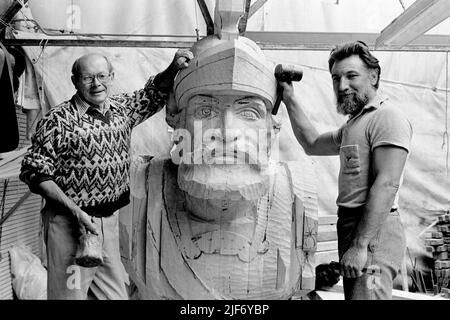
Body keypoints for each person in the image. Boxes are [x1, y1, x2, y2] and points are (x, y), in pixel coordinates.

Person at [122, 24, 320, 299]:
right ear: (176, 120)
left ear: (271, 128)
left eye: (249, 113)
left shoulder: (298, 192)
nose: (227, 133)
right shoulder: (144, 186)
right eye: (205, 110)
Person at [19, 49, 193, 300]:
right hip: (70, 224)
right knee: (70, 296)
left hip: (107, 224)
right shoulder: (58, 119)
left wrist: (174, 67)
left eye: (102, 76)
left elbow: (153, 93)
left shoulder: (122, 109)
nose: (96, 83)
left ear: (112, 76)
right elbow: (34, 171)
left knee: (115, 296)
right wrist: (76, 212)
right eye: (88, 77)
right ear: (75, 81)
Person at [280, 41, 413, 300]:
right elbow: (312, 143)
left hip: (374, 230)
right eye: (336, 78)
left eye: (352, 76)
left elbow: (387, 184)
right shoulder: (356, 123)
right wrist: (289, 98)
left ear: (373, 76)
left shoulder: (387, 117)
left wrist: (361, 245)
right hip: (353, 225)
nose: (342, 86)